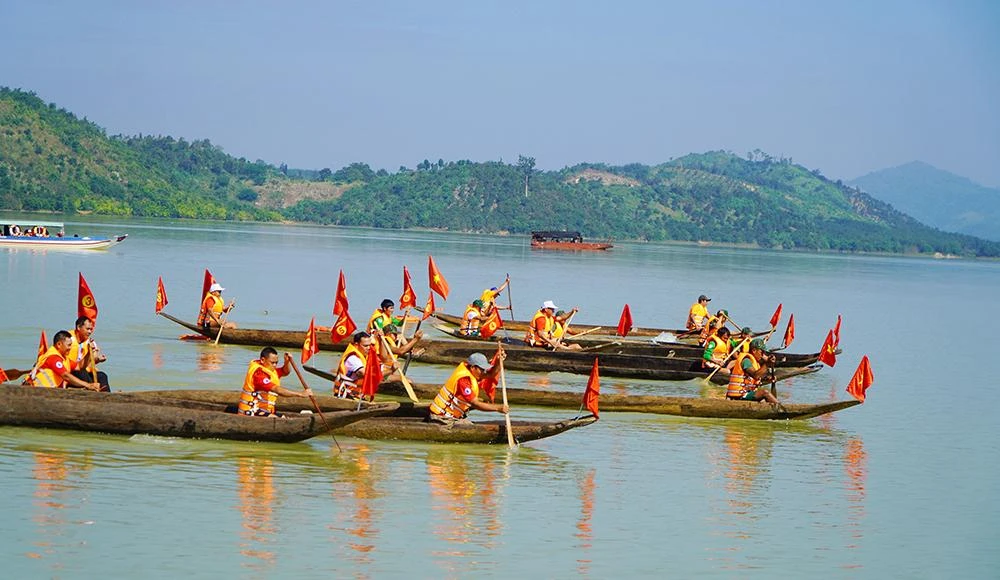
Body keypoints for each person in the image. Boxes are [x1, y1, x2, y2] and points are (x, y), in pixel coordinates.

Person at [427, 352, 509, 424]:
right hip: (441, 418)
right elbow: (475, 404)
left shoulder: (472, 372)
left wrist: (499, 362)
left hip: (451, 417)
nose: (484, 372)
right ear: (473, 367)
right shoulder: (464, 380)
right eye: (482, 369)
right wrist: (498, 408)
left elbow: (491, 375)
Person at [237, 347, 313, 416]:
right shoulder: (259, 374)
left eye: (276, 362)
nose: (275, 365)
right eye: (272, 362)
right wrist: (300, 394)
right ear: (263, 360)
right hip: (251, 411)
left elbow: (285, 372)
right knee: (279, 419)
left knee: (282, 417)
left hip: (263, 410)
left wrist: (286, 362)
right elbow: (277, 389)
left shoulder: (270, 370)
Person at [27, 330, 102, 390]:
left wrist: (88, 353)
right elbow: (66, 376)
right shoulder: (53, 358)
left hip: (47, 392)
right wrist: (88, 385)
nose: (70, 348)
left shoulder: (65, 359)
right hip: (34, 391)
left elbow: (80, 366)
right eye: (69, 345)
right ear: (59, 344)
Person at [331, 332, 386, 399]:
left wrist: (381, 341)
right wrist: (391, 370)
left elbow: (384, 359)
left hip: (358, 396)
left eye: (370, 345)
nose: (369, 348)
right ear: (356, 344)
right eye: (365, 346)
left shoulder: (366, 355)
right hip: (347, 396)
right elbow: (365, 374)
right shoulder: (353, 358)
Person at [725, 338, 781, 404]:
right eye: (761, 352)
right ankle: (782, 411)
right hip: (739, 395)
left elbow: (755, 379)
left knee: (763, 401)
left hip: (746, 393)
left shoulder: (756, 363)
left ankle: (777, 408)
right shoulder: (746, 361)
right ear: (754, 350)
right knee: (765, 393)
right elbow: (756, 375)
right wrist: (767, 364)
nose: (763, 355)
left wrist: (767, 379)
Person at [68, 316, 111, 391]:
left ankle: (106, 395)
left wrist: (98, 359)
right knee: (81, 372)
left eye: (91, 329)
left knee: (102, 376)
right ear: (78, 327)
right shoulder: (68, 339)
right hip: (71, 372)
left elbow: (92, 362)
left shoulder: (91, 342)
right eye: (87, 329)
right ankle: (95, 390)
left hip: (84, 372)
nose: (90, 332)